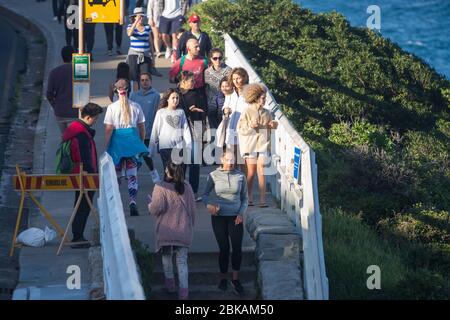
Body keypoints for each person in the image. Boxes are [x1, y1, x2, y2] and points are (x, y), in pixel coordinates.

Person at [202, 150, 248, 295]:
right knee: (224, 248)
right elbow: (204, 195)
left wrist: (241, 213)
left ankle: (235, 279)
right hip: (219, 216)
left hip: (235, 216)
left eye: (232, 160)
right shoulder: (213, 175)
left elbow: (245, 198)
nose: (230, 163)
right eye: (228, 160)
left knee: (237, 248)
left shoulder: (240, 176)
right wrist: (209, 205)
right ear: (222, 159)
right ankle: (223, 278)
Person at [148, 160, 196, 300]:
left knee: (167, 258)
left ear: (167, 172)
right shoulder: (187, 186)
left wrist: (149, 205)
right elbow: (192, 209)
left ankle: (170, 286)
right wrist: (190, 225)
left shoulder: (160, 187)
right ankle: (184, 292)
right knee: (182, 262)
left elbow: (156, 208)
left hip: (166, 231)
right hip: (183, 230)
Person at [104, 79, 149, 216]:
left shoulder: (111, 108)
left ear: (117, 91)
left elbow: (109, 129)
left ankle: (116, 204)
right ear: (128, 90)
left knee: (116, 175)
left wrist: (106, 147)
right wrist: (140, 142)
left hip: (117, 142)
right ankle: (133, 201)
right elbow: (142, 128)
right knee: (132, 175)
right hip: (132, 140)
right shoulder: (136, 106)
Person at [61, 103, 103, 249]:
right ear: (88, 117)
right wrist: (93, 176)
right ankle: (77, 237)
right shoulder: (81, 134)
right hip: (85, 176)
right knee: (83, 207)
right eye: (95, 118)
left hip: (80, 175)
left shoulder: (76, 130)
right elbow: (85, 158)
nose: (96, 121)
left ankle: (78, 235)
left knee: (80, 206)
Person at [237, 83, 278, 207]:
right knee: (251, 172)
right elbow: (240, 129)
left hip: (263, 145)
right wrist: (251, 126)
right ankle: (248, 197)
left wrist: (273, 125)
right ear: (255, 98)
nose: (264, 101)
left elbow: (271, 127)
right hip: (250, 145)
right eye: (263, 98)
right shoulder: (246, 112)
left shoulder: (267, 113)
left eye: (265, 98)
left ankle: (262, 200)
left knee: (262, 170)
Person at [177, 71, 207, 201]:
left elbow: (202, 111)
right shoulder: (175, 94)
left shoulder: (196, 94)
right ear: (183, 81)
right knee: (181, 163)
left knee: (194, 163)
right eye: (191, 81)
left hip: (195, 131)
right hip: (181, 133)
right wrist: (188, 110)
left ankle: (193, 192)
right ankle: (180, 190)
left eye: (194, 81)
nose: (194, 83)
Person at [149, 88, 192, 171]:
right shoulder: (161, 112)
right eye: (173, 98)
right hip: (165, 147)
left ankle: (179, 184)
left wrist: (189, 145)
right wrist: (151, 148)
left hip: (179, 147)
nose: (175, 100)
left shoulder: (181, 112)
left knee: (179, 172)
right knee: (168, 172)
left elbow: (186, 129)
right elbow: (155, 130)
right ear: (168, 99)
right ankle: (167, 184)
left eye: (177, 98)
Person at [130, 72, 161, 182]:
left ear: (151, 81)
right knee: (136, 154)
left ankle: (152, 171)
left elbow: (157, 113)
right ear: (139, 82)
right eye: (142, 80)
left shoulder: (156, 95)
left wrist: (156, 131)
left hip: (149, 131)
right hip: (135, 132)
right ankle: (133, 175)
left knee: (145, 154)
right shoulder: (134, 95)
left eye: (147, 80)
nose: (144, 82)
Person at [127, 7, 162, 92]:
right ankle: (135, 94)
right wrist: (136, 22)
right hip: (133, 54)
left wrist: (153, 59)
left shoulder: (147, 27)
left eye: (142, 16)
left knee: (145, 76)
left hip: (145, 54)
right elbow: (129, 33)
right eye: (139, 16)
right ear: (134, 17)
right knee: (134, 77)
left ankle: (145, 93)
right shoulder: (130, 26)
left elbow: (150, 43)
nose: (141, 18)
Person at [47, 45, 78, 134]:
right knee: (75, 138)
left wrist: (55, 106)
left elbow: (49, 94)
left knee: (65, 138)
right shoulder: (79, 71)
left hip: (60, 111)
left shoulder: (54, 72)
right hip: (75, 111)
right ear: (74, 56)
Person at [169, 38, 208, 108]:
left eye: (199, 46)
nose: (199, 49)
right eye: (196, 47)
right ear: (188, 48)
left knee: (199, 117)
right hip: (185, 94)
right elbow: (170, 78)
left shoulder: (204, 61)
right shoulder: (181, 61)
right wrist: (182, 80)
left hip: (200, 93)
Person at [222, 68, 250, 156]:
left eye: (238, 78)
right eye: (234, 79)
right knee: (230, 156)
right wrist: (225, 110)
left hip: (244, 129)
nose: (236, 81)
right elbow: (225, 106)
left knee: (242, 157)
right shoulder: (230, 92)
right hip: (231, 127)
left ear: (244, 78)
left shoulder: (250, 92)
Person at [204, 48, 232, 129]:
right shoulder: (207, 72)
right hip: (211, 103)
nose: (217, 60)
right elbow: (206, 88)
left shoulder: (229, 70)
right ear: (211, 59)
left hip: (224, 103)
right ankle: (214, 140)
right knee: (213, 127)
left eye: (220, 58)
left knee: (223, 127)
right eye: (215, 58)